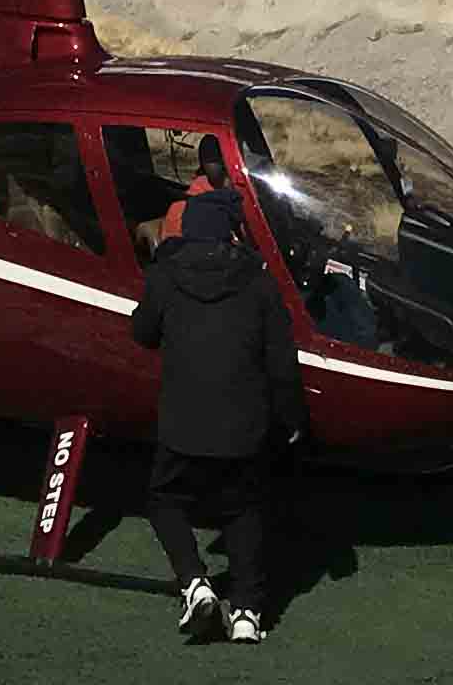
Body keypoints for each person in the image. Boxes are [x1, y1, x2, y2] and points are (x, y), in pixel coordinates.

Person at [129, 186, 300, 642]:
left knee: (164, 500)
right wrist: (293, 419)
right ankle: (247, 613)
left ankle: (194, 582)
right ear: (231, 235)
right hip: (244, 426)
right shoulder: (261, 285)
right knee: (243, 511)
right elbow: (283, 362)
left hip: (182, 423)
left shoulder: (166, 278)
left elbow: (141, 333)